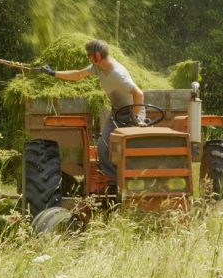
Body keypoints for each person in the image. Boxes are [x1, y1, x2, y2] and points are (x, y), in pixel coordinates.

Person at [40, 39, 145, 190]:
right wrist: (53, 73)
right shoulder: (99, 68)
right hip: (117, 112)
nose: (88, 58)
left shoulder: (117, 73)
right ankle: (115, 183)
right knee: (103, 147)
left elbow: (139, 94)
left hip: (133, 113)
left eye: (89, 55)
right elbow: (78, 75)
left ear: (96, 56)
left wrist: (134, 116)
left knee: (127, 149)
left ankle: (133, 183)